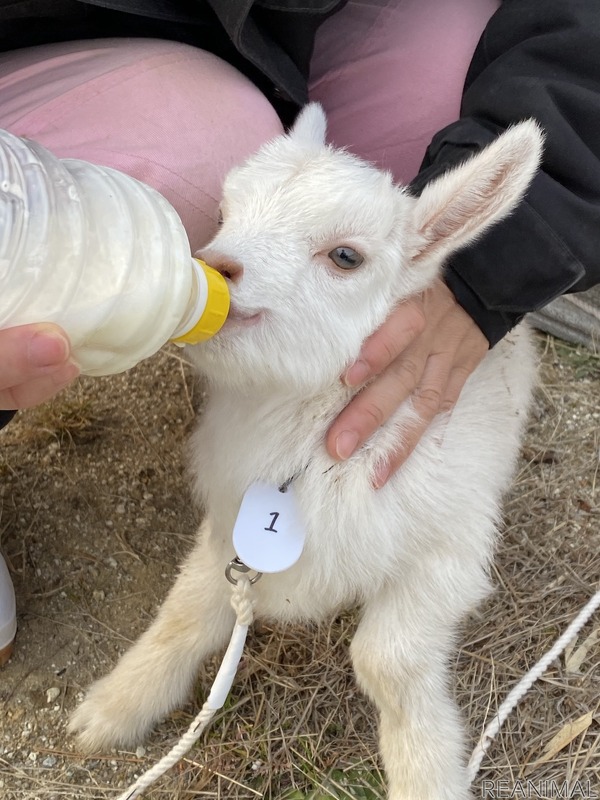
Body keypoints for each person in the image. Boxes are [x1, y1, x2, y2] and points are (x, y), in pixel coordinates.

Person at [1, 0, 600, 664]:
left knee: (460, 54)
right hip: (55, 40)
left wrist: (483, 266)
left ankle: (310, 346)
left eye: (345, 258)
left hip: (272, 28)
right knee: (222, 147)